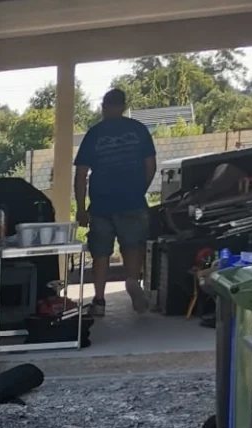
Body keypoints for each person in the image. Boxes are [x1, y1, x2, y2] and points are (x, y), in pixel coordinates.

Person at [74, 88, 157, 316]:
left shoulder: (95, 134)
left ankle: (99, 301)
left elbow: (81, 174)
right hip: (132, 201)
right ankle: (132, 280)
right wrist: (139, 191)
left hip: (101, 204)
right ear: (123, 106)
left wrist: (81, 208)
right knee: (133, 246)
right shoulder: (139, 130)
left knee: (100, 253)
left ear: (104, 107)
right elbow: (151, 167)